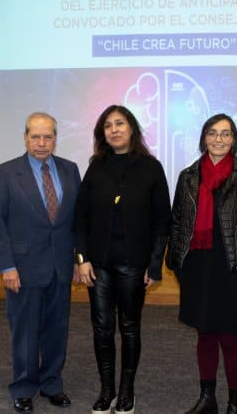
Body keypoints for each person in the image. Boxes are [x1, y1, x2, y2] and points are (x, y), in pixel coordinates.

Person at [168, 113, 237, 414]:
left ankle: (235, 404)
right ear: (204, 138)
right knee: (204, 335)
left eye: (226, 134)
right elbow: (177, 221)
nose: (219, 139)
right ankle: (207, 399)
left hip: (233, 268)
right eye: (213, 133)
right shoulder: (188, 176)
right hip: (197, 267)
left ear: (234, 140)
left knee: (230, 338)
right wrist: (176, 261)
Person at [74, 105, 171, 414]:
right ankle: (107, 391)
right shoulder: (95, 168)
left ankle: (127, 391)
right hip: (98, 265)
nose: (114, 129)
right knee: (102, 328)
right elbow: (80, 219)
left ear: (132, 129)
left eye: (120, 123)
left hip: (134, 265)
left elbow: (162, 222)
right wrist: (82, 259)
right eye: (107, 126)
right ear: (102, 134)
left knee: (129, 327)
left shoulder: (151, 168)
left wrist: (155, 264)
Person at [0, 112, 81, 413]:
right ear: (26, 137)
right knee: (25, 331)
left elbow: (78, 221)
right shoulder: (6, 172)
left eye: (48, 136)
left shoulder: (70, 170)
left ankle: (52, 383)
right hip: (23, 267)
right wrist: (6, 266)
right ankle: (24, 386)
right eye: (35, 136)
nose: (42, 143)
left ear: (55, 139)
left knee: (57, 328)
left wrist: (79, 260)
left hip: (60, 265)